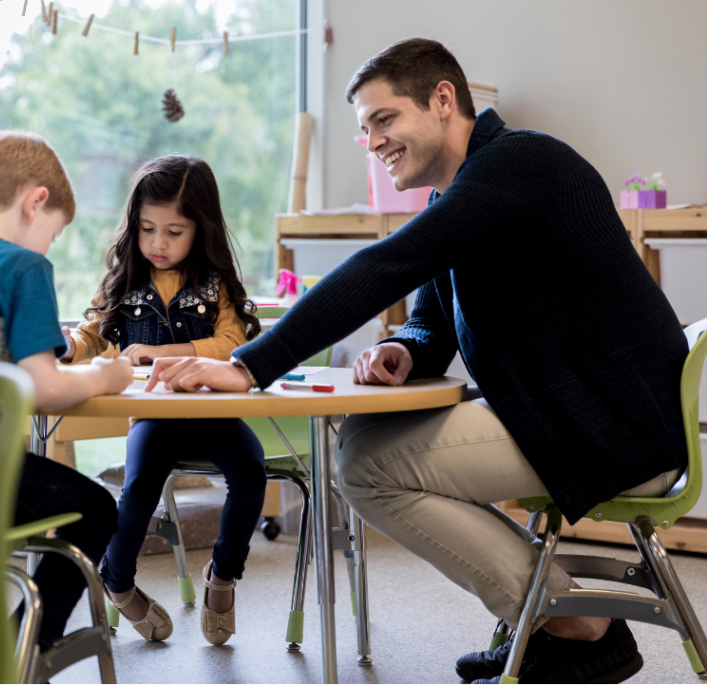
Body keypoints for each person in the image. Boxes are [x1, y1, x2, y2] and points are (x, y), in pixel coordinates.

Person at [145, 38, 688, 683]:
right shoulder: (460, 195)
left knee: (367, 466)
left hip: (613, 430)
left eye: (384, 119)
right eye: (364, 129)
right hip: (582, 414)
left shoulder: (521, 164)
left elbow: (385, 266)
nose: (373, 141)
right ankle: (548, 623)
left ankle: (572, 627)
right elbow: (431, 317)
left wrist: (248, 365)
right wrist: (402, 347)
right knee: (369, 440)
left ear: (441, 100)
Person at [61, 155, 266, 646]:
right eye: (148, 229)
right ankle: (117, 580)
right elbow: (91, 334)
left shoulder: (215, 285)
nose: (158, 243)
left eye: (174, 232)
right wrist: (68, 345)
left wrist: (160, 351)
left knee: (250, 472)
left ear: (202, 229)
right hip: (155, 416)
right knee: (135, 497)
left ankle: (223, 576)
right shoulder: (126, 282)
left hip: (213, 413)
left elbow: (232, 345)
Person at [0, 131, 133, 653]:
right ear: (36, 202)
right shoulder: (23, 267)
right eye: (54, 234)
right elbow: (44, 387)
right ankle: (29, 642)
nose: (48, 246)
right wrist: (105, 376)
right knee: (99, 510)